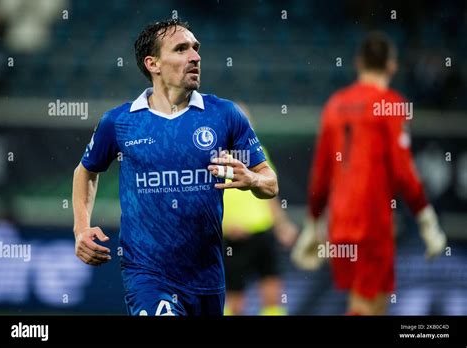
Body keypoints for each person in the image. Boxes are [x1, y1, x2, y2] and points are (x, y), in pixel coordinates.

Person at [72, 19, 278, 316]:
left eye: (196, 49)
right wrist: (81, 227)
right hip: (147, 273)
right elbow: (86, 171)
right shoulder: (120, 122)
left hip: (207, 278)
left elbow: (271, 184)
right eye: (181, 49)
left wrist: (253, 180)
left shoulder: (225, 115)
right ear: (152, 63)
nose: (195, 56)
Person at [291, 32, 447, 315]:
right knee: (365, 305)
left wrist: (313, 223)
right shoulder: (390, 104)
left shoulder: (335, 104)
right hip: (372, 222)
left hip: (340, 224)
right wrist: (426, 219)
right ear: (391, 66)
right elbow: (403, 171)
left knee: (372, 303)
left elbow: (321, 173)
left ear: (358, 62)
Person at [222, 103, 298, 316]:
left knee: (272, 293)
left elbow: (270, 194)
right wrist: (223, 226)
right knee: (235, 301)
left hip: (263, 232)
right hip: (233, 237)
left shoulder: (258, 153)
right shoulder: (214, 157)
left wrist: (282, 226)